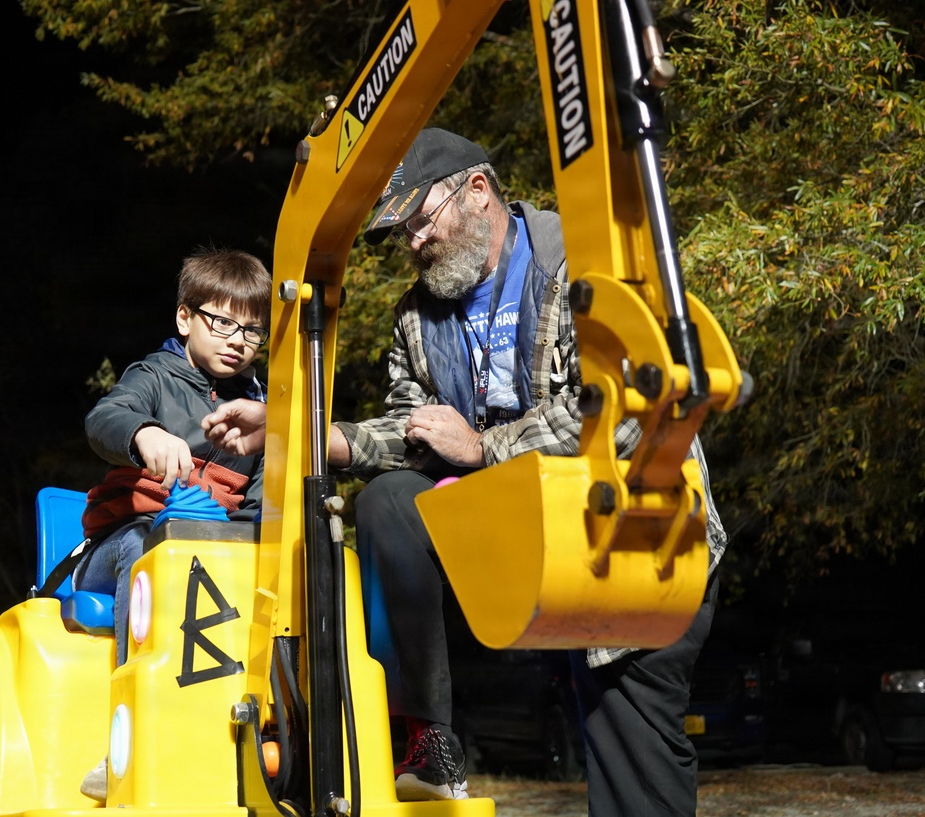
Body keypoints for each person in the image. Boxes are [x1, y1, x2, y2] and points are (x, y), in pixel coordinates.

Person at [202, 129, 727, 815]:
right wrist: (300, 434)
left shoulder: (583, 267)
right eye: (403, 232)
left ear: (478, 191)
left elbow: (621, 409)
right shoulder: (418, 320)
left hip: (637, 533)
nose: (414, 242)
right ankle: (430, 737)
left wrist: (483, 447)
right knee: (391, 500)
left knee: (628, 734)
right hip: (538, 539)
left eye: (422, 219)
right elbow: (413, 430)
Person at [75, 246, 272, 801]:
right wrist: (143, 433)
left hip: (208, 554)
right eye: (223, 321)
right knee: (147, 556)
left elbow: (258, 507)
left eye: (253, 331)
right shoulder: (153, 377)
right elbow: (104, 419)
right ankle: (124, 737)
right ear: (185, 318)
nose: (238, 340)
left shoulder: (258, 409)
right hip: (119, 546)